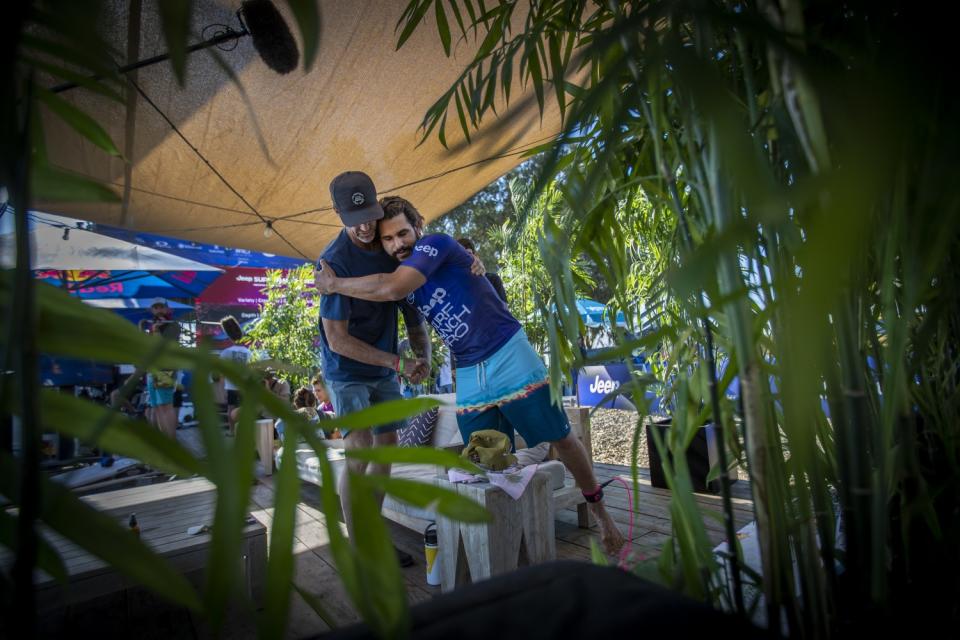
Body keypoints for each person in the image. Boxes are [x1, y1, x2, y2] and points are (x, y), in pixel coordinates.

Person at [315, 196, 626, 555]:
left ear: (418, 227)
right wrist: (420, 358)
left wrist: (334, 284)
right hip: (468, 369)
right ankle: (513, 541)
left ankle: (603, 516)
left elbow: (392, 287)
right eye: (388, 239)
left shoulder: (436, 244)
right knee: (487, 459)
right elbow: (409, 314)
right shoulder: (400, 269)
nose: (397, 244)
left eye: (402, 233)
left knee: (562, 437)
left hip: (508, 351)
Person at [316, 171, 433, 568]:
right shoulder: (333, 262)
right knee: (359, 453)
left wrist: (423, 355)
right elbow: (337, 341)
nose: (366, 226)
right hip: (345, 369)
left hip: (384, 364)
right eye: (355, 218)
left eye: (371, 213)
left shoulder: (388, 244)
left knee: (387, 448)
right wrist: (398, 362)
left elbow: (410, 310)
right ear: (337, 213)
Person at [138, 298, 180, 439]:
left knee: (166, 405)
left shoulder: (173, 325)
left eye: (161, 307)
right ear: (152, 310)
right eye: (155, 308)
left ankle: (171, 441)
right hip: (153, 370)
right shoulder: (152, 326)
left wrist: (156, 332)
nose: (159, 310)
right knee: (157, 407)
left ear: (167, 309)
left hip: (166, 369)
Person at [219, 316, 252, 435]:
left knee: (231, 409)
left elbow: (222, 373)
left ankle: (232, 431)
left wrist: (222, 389)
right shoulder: (248, 352)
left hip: (230, 386)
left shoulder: (226, 352)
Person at [457, 237, 507, 303]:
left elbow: (504, 309)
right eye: (461, 255)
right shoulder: (455, 285)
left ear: (476, 257)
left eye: (468, 254)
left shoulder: (493, 279)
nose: (465, 258)